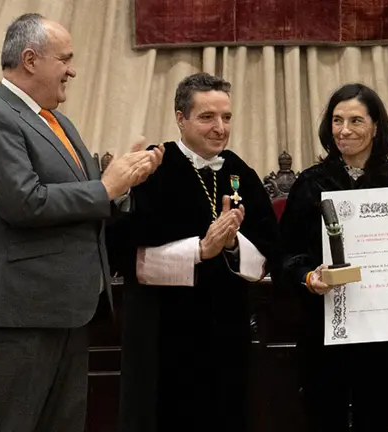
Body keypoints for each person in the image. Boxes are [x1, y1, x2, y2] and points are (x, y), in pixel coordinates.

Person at [0, 13, 163, 432]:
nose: (72, 69)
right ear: (31, 60)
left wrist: (124, 185)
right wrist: (105, 188)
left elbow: (85, 200)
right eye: (64, 59)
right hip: (15, 318)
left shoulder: (59, 121)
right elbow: (24, 203)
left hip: (67, 312)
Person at [105, 73, 282, 432]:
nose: (220, 128)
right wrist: (200, 251)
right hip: (163, 332)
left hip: (225, 329)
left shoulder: (239, 172)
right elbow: (128, 254)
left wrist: (231, 245)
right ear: (180, 118)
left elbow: (268, 250)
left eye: (226, 117)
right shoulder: (153, 167)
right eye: (207, 117)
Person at [279, 83, 388, 432]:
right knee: (323, 418)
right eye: (337, 120)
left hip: (381, 333)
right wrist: (308, 277)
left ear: (376, 127)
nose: (345, 130)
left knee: (377, 418)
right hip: (323, 326)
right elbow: (286, 255)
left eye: (356, 120)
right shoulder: (310, 183)